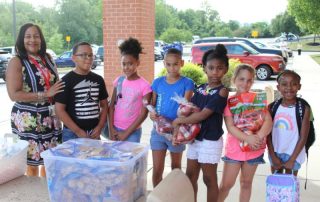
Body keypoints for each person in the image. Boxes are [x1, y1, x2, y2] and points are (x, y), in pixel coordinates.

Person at [172, 44, 229, 202]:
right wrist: (179, 134)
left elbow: (202, 115)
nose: (215, 72)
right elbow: (190, 109)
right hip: (195, 139)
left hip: (210, 140)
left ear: (225, 69)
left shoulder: (222, 91)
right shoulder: (200, 88)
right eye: (211, 68)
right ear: (204, 68)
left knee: (209, 179)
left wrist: (178, 121)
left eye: (219, 68)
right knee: (190, 177)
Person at [6, 23, 64, 177]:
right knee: (32, 162)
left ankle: (47, 191)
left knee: (50, 159)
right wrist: (45, 94)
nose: (33, 40)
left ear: (41, 39)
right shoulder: (17, 61)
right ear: (21, 39)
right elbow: (13, 94)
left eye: (36, 36)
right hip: (28, 119)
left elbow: (56, 84)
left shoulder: (47, 58)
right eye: (28, 36)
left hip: (50, 117)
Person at [218, 64, 273, 202]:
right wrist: (247, 138)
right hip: (235, 151)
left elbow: (268, 121)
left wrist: (258, 137)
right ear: (234, 80)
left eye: (249, 80)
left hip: (255, 149)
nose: (245, 83)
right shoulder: (230, 102)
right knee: (226, 185)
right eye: (241, 79)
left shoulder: (259, 100)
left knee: (246, 183)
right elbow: (230, 126)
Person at [149, 48, 194, 187]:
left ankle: (175, 196)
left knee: (176, 169)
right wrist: (152, 114)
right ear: (164, 64)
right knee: (157, 170)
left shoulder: (187, 83)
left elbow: (185, 109)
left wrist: (176, 131)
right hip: (158, 131)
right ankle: (159, 197)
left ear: (182, 63)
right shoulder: (157, 82)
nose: (172, 67)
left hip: (177, 133)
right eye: (168, 64)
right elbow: (153, 104)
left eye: (175, 64)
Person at [54, 42, 108, 142]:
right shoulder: (66, 81)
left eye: (90, 55)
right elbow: (59, 110)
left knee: (94, 157)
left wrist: (100, 126)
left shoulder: (99, 80)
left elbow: (104, 105)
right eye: (83, 55)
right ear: (74, 58)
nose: (88, 58)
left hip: (94, 133)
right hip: (72, 133)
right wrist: (77, 131)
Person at [108, 37, 152, 142]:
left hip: (132, 132)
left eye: (130, 64)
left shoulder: (145, 86)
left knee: (131, 158)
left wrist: (126, 134)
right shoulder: (119, 81)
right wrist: (111, 129)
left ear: (138, 63)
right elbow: (111, 107)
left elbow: (143, 114)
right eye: (124, 64)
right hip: (115, 129)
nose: (127, 67)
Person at [267, 70, 310, 176]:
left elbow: (303, 137)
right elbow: (267, 134)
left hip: (294, 154)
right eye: (284, 84)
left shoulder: (304, 109)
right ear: (278, 87)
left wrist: (292, 159)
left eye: (294, 84)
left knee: (291, 185)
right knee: (276, 183)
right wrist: (273, 156)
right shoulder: (272, 107)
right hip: (276, 152)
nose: (289, 88)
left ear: (299, 86)